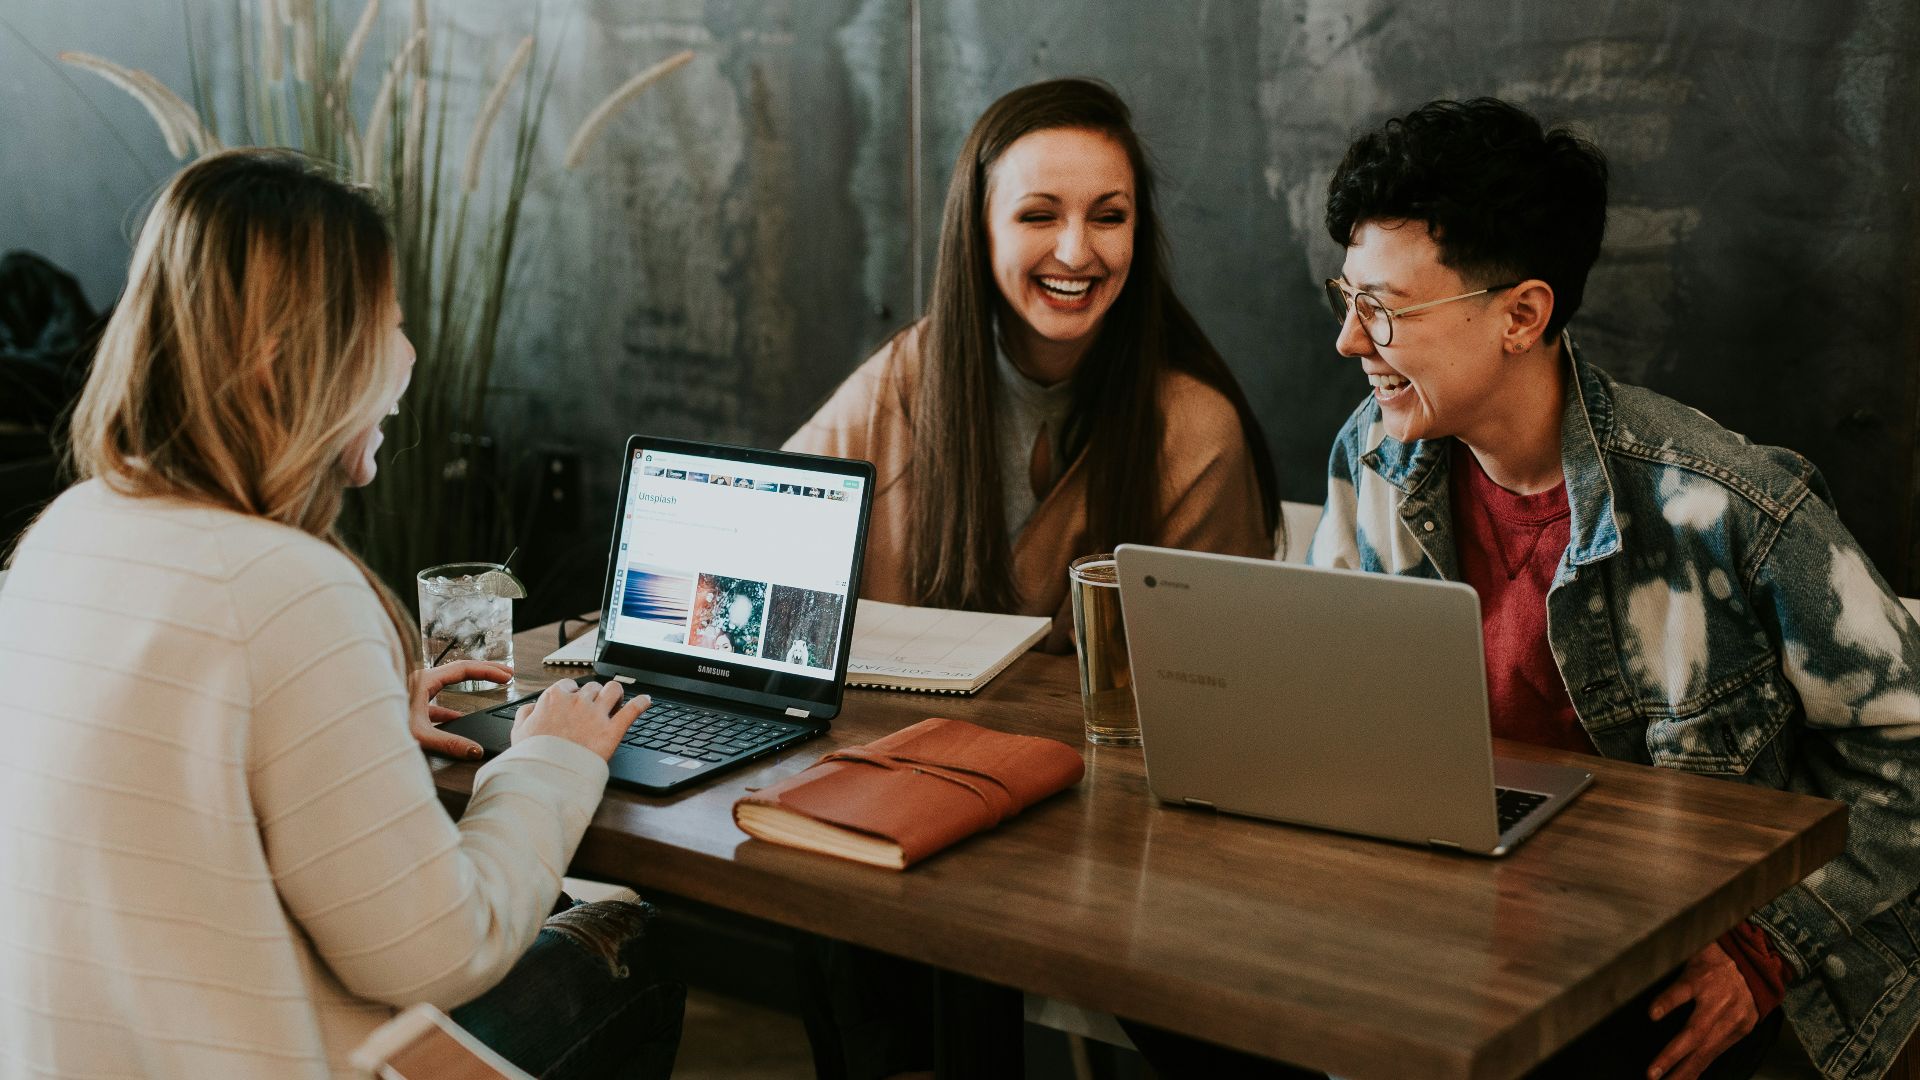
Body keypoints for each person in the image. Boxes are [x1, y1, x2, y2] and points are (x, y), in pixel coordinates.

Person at [0, 149, 683, 1079]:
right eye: (390, 323)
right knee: (631, 947)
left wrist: (353, 717)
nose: (407, 356)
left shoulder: (65, 533)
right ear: (297, 360)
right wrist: (550, 759)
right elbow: (441, 951)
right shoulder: (287, 587)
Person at [1307, 98, 1920, 1080]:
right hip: (1464, 929)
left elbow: (1909, 747)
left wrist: (1769, 950)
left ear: (1522, 314)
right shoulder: (1373, 454)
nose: (1349, 340)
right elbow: (1324, 700)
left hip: (1672, 954)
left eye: (1383, 308)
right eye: (1346, 296)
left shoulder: (1727, 508)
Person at [784, 77, 1280, 653]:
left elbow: (1218, 676)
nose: (1075, 252)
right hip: (891, 741)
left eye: (1109, 217)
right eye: (1039, 216)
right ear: (980, 231)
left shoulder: (1196, 430)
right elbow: (759, 539)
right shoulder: (901, 380)